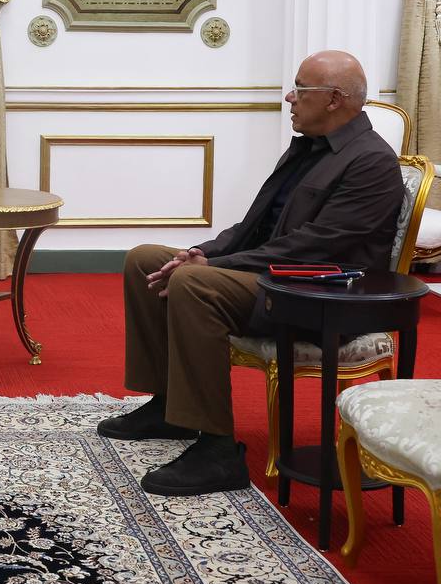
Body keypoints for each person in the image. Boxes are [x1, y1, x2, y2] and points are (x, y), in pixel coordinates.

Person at [98, 50, 404, 496]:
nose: (289, 97)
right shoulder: (307, 149)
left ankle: (218, 451)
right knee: (145, 258)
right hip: (273, 277)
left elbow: (314, 248)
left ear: (335, 98)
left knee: (194, 283)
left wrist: (213, 267)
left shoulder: (370, 162)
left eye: (300, 88)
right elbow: (251, 228)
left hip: (314, 294)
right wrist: (199, 250)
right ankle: (168, 406)